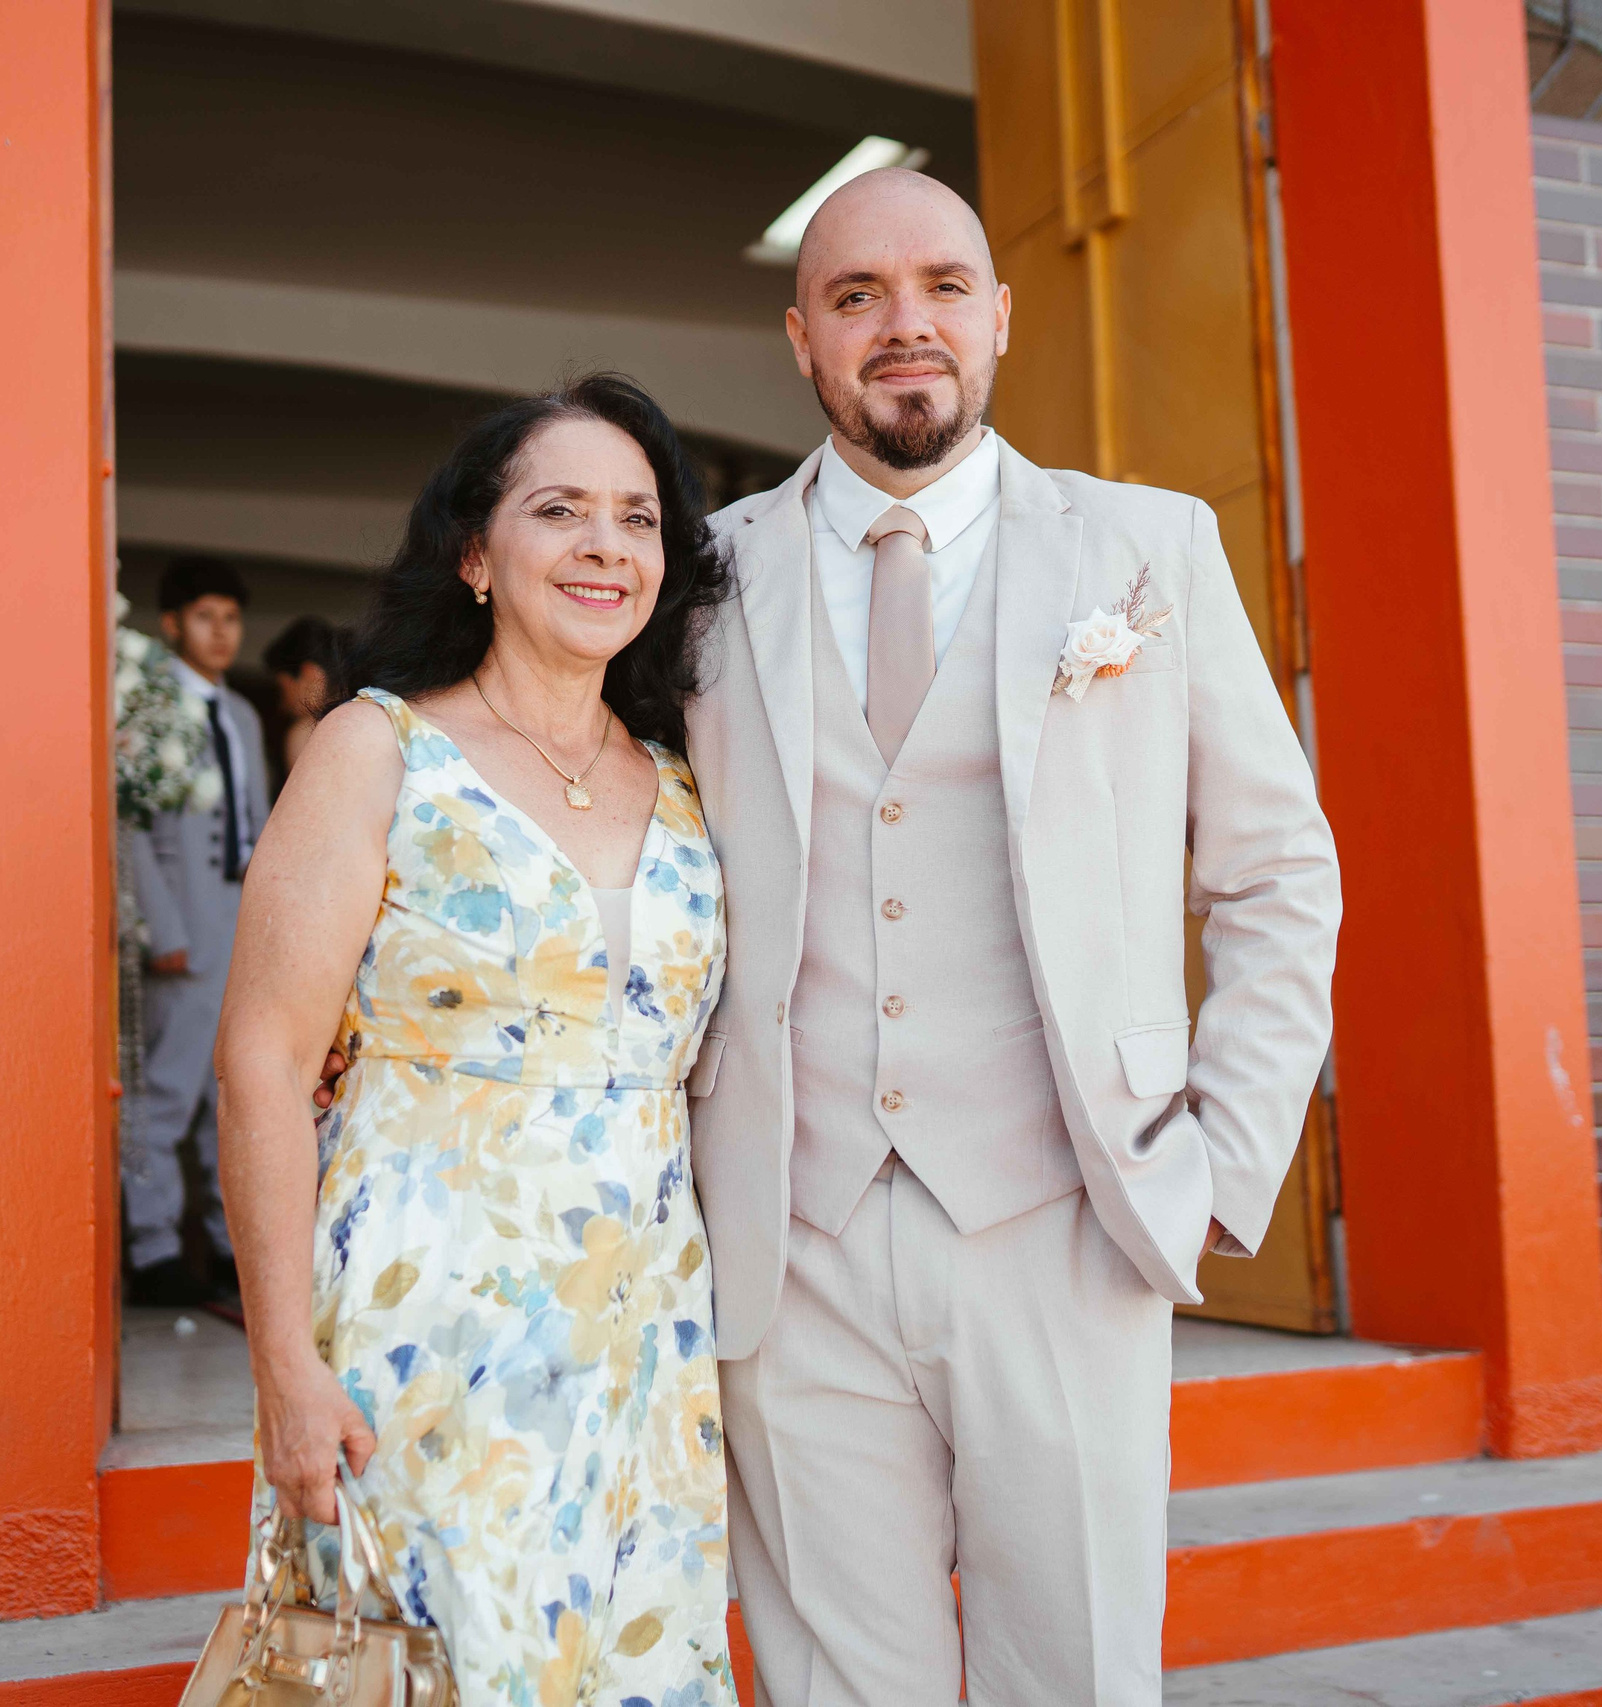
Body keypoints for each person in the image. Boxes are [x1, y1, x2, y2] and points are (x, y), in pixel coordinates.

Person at [682, 169, 1343, 1703]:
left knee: (1078, 1673)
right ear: (800, 337)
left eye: (940, 286)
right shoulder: (701, 578)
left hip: (1068, 1211)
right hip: (789, 1232)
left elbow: (1276, 869)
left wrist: (1227, 1153)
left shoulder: (1148, 548)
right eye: (856, 295)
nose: (902, 323)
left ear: (1000, 315)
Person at [214, 375, 738, 1705]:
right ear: (474, 554)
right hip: (426, 1328)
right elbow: (263, 1063)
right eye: (559, 511)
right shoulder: (379, 749)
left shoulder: (688, 780)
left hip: (643, 1340)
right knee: (441, 1673)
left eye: (636, 518)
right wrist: (283, 1364)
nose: (605, 545)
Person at [121, 554, 272, 1308]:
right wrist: (160, 927)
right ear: (173, 623)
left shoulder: (241, 712)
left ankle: (227, 1244)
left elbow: (263, 824)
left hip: (243, 920)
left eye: (231, 618)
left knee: (238, 1089)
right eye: (206, 617)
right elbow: (130, 826)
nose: (221, 632)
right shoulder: (149, 707)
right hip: (183, 922)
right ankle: (152, 1248)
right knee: (167, 1089)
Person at [264, 613, 348, 773]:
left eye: (283, 688)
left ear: (309, 674)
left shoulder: (305, 733)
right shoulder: (371, 714)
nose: (282, 704)